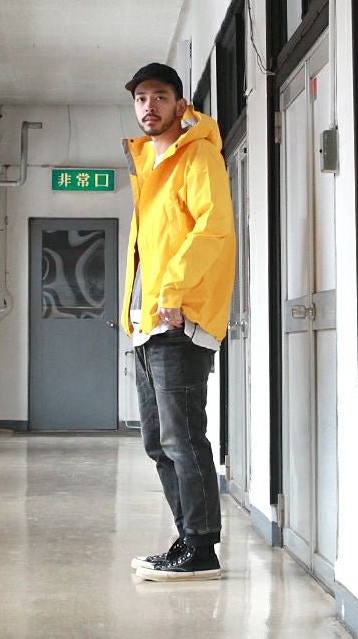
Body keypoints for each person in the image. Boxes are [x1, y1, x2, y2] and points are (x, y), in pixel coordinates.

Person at [121, 62, 236, 582]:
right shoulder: (149, 163)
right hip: (148, 324)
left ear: (180, 104)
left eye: (160, 96)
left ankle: (202, 548)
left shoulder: (198, 156)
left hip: (180, 321)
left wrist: (172, 290)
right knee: (158, 442)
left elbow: (213, 229)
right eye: (141, 98)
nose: (149, 106)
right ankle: (188, 537)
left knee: (184, 437)